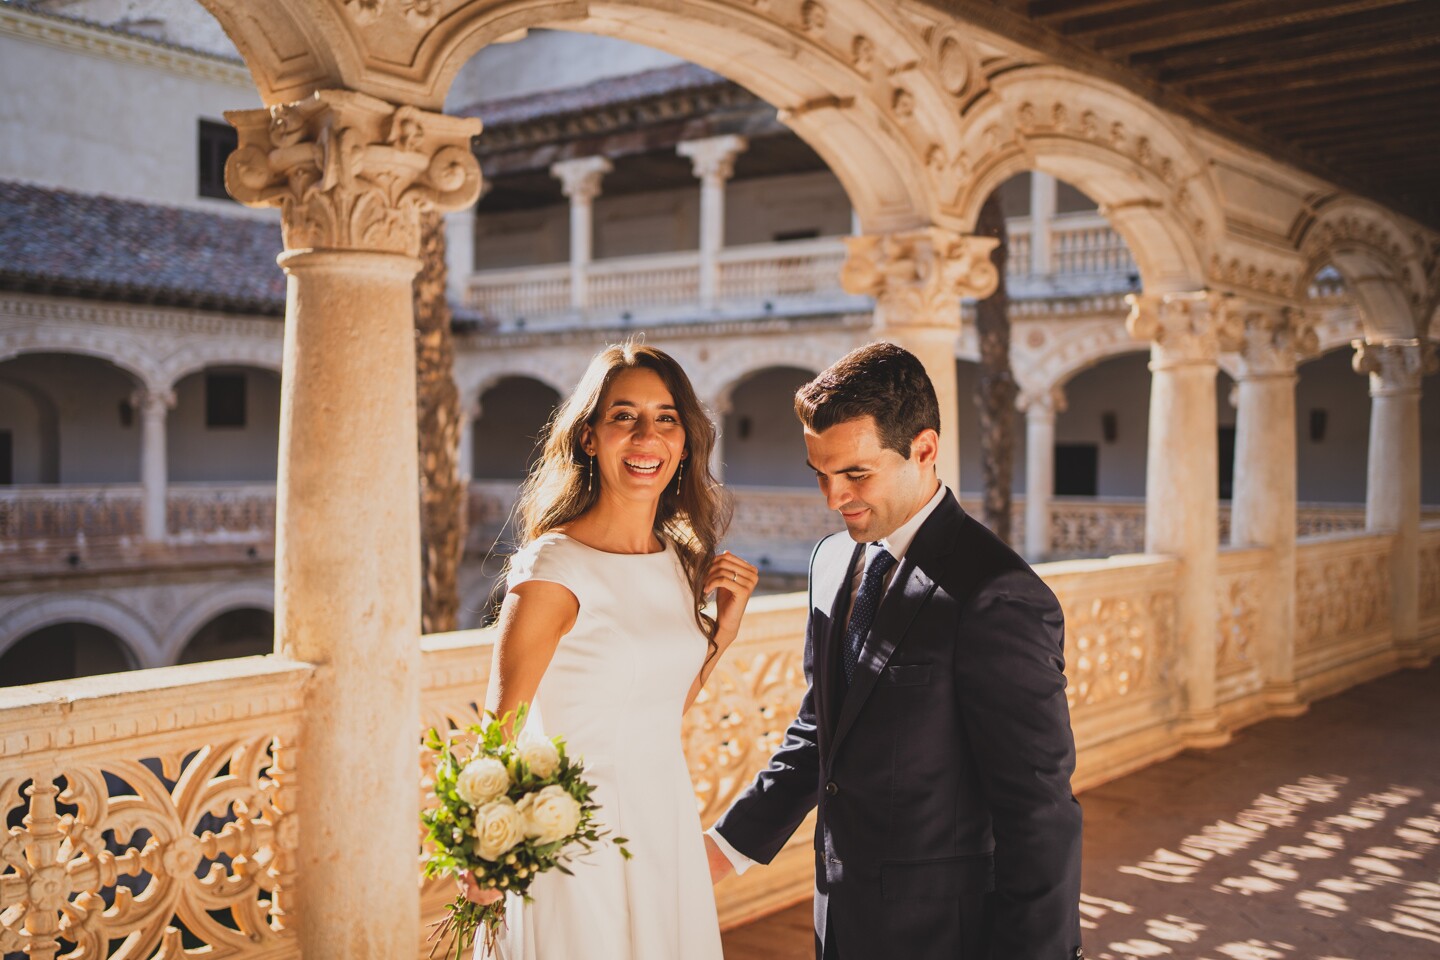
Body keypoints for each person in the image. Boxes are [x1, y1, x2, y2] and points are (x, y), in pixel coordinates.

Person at [705, 342, 1084, 959]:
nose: (834, 497)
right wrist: (723, 849)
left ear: (925, 449)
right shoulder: (830, 563)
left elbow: (1039, 814)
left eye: (856, 474)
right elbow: (824, 727)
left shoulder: (999, 595)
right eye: (821, 474)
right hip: (840, 919)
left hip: (946, 937)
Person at [463, 342, 758, 959]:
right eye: (623, 416)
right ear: (590, 437)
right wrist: (486, 852)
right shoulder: (553, 567)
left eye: (666, 417)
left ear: (683, 443)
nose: (646, 435)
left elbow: (655, 710)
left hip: (664, 818)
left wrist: (719, 638)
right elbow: (501, 726)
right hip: (574, 837)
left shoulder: (680, 559)